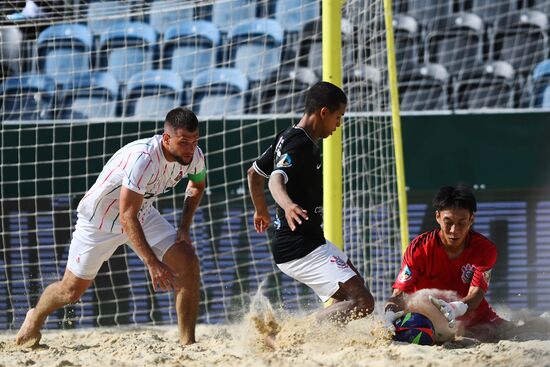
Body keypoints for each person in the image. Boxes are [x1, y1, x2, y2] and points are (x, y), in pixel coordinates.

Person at [16, 107, 205, 347]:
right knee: (70, 291)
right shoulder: (143, 158)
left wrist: (184, 229)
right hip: (101, 221)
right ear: (167, 139)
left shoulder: (194, 156)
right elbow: (126, 216)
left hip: (142, 213)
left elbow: (197, 185)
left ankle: (187, 344)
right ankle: (35, 316)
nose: (190, 148)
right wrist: (152, 262)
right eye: (184, 142)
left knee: (188, 262)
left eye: (195, 140)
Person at [247, 81, 375, 332]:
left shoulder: (288, 135)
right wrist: (287, 205)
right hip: (298, 245)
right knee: (362, 301)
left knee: (349, 294)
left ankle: (320, 340)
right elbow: (274, 178)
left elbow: (254, 173)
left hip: (310, 240)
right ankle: (291, 334)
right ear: (323, 112)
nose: (339, 124)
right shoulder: (299, 144)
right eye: (338, 117)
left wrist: (260, 210)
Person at [383, 185, 527, 342]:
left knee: (516, 332)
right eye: (448, 222)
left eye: (461, 222)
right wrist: (389, 315)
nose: (454, 230)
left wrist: (455, 308)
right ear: (437, 217)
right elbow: (399, 294)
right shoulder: (419, 249)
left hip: (476, 319)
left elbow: (476, 294)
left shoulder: (485, 249)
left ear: (472, 219)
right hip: (427, 321)